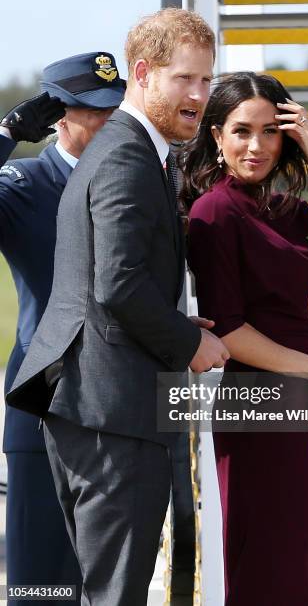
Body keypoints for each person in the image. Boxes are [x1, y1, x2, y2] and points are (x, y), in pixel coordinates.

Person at [7, 9, 229, 605]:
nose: (199, 95)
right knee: (105, 594)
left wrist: (177, 324)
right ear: (144, 73)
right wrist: (189, 344)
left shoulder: (135, 152)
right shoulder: (127, 155)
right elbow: (119, 284)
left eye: (207, 82)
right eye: (185, 79)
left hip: (100, 406)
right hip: (108, 414)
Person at [185, 72, 308, 605]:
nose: (256, 146)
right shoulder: (213, 212)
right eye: (242, 131)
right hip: (253, 398)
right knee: (269, 565)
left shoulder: (291, 212)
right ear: (217, 135)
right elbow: (228, 329)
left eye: (271, 131)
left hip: (293, 401)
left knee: (293, 563)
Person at [0, 52, 126, 604]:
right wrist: (6, 134)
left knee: (118, 586)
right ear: (57, 115)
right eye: (93, 110)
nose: (109, 121)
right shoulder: (25, 183)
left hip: (126, 411)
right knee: (43, 588)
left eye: (116, 107)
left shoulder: (141, 182)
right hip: (45, 404)